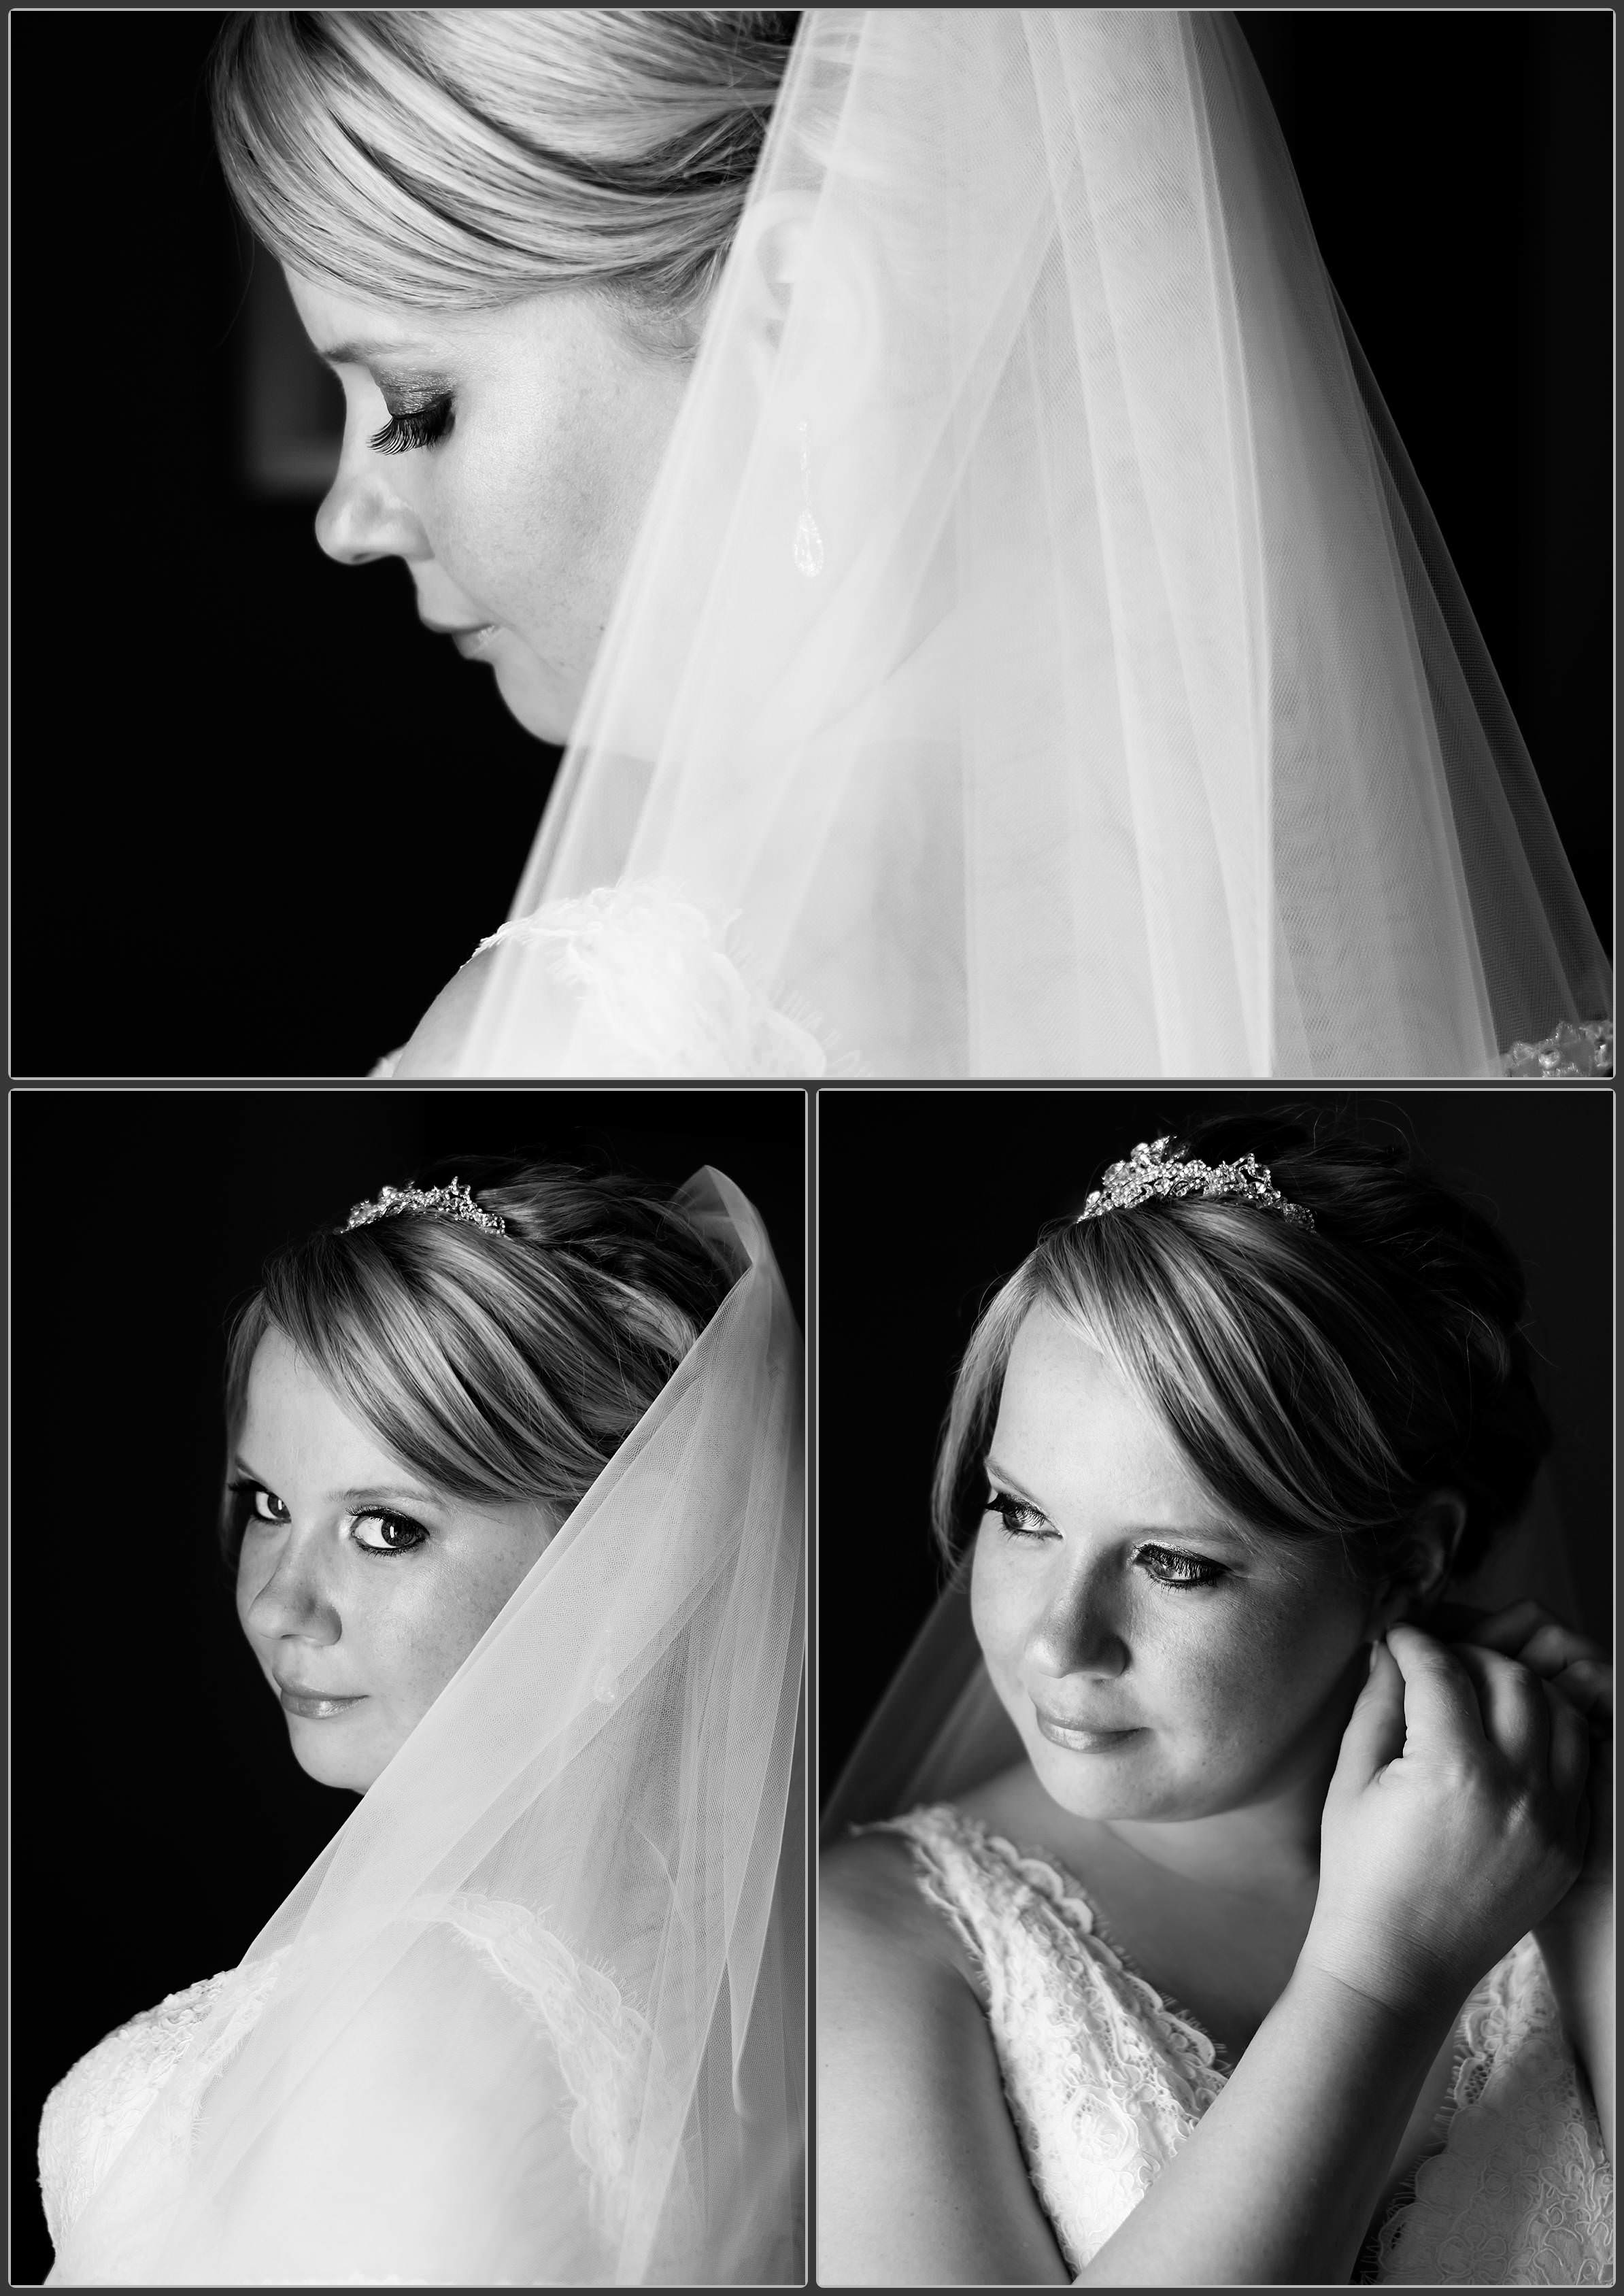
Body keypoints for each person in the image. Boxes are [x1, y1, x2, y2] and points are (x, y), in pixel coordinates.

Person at [207, 12, 1611, 1081]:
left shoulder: (588, 1033)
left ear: (803, 319)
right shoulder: (1303, 903)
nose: (345, 520)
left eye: (413, 403)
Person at [819, 1111, 1612, 2284]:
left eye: (1175, 1563)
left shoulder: (1573, 1852)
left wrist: (1594, 1879)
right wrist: (1374, 1980)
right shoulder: (874, 1946)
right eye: (1023, 1515)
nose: (1057, 1637)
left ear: (1406, 1560)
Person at [39, 1158, 805, 2285]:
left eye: (386, 1528)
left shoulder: (422, 2020)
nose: (276, 1603)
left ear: (623, 1561)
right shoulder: (707, 1969)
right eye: (267, 1505)